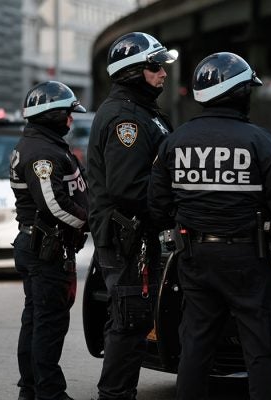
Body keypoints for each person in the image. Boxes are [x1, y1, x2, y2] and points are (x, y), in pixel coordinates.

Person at [148, 52, 271, 400]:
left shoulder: (175, 141)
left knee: (196, 347)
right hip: (248, 258)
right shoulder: (259, 141)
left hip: (194, 258)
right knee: (262, 349)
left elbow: (156, 207)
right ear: (238, 92)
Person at [86, 31, 177, 400]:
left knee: (131, 322)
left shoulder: (141, 113)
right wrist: (173, 210)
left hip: (133, 239)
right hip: (129, 240)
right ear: (133, 72)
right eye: (155, 66)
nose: (163, 73)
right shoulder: (128, 120)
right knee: (128, 324)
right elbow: (130, 188)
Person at [10, 80, 90, 400]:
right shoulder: (42, 152)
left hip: (39, 245)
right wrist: (88, 221)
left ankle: (30, 389)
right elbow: (53, 204)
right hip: (45, 249)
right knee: (48, 324)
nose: (71, 120)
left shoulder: (43, 143)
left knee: (35, 320)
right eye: (68, 114)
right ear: (52, 115)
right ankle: (49, 393)